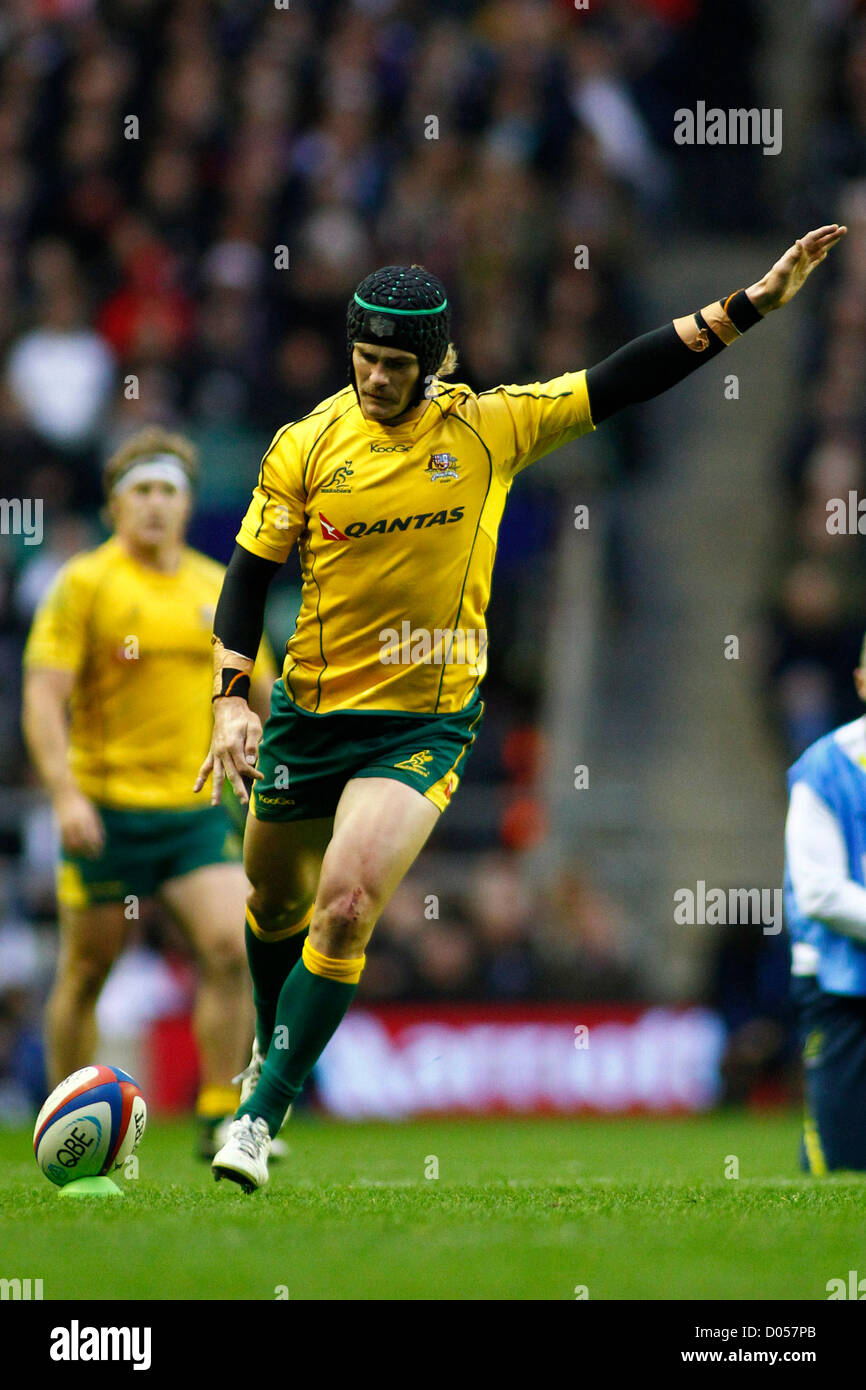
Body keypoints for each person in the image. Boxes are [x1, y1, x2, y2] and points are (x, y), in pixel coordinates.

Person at [198, 232, 847, 1191]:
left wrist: (749, 302)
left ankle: (259, 1115)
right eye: (365, 359)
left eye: (397, 365)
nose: (376, 379)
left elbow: (623, 377)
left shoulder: (491, 428)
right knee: (274, 901)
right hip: (309, 713)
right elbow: (248, 578)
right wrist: (227, 702)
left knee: (342, 906)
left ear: (436, 363)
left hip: (423, 724)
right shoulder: (305, 445)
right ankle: (269, 1047)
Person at [22, 427, 277, 1158]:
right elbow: (43, 699)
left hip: (192, 812)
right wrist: (65, 796)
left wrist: (263, 743)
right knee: (85, 970)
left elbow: (262, 691)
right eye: (142, 492)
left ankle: (219, 1113)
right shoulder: (84, 585)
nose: (156, 505)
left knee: (233, 947)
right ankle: (72, 1122)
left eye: (169, 491)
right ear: (113, 507)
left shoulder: (215, 587)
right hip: (104, 812)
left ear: (189, 502)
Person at [784, 632, 866, 1172]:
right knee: (844, 1165)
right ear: (861, 682)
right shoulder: (825, 768)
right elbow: (818, 892)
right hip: (841, 985)